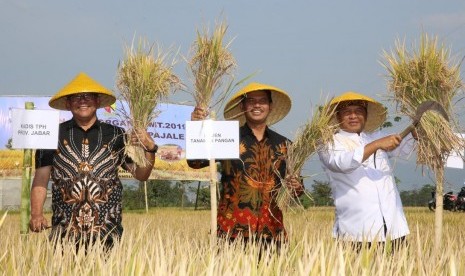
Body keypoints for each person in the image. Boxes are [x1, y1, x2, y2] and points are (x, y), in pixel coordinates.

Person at [29, 72, 157, 249]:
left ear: (97, 102)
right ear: (68, 103)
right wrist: (36, 214)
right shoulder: (52, 134)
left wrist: (150, 149)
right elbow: (41, 180)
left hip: (107, 232)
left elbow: (141, 174)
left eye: (88, 96)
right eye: (76, 97)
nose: (83, 100)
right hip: (64, 232)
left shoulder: (116, 134)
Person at [188, 82, 303, 249]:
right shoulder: (228, 136)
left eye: (262, 101)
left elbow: (297, 191)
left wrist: (296, 186)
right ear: (243, 106)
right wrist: (196, 127)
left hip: (272, 231)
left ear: (270, 106)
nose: (257, 105)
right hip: (231, 231)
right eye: (251, 101)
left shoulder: (285, 145)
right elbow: (195, 162)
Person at [317, 91, 416, 249]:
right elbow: (341, 163)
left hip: (393, 228)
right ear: (337, 116)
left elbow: (404, 148)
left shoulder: (375, 136)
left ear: (366, 115)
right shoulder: (328, 143)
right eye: (347, 112)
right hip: (355, 231)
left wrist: (415, 134)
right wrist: (376, 145)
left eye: (358, 111)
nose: (353, 116)